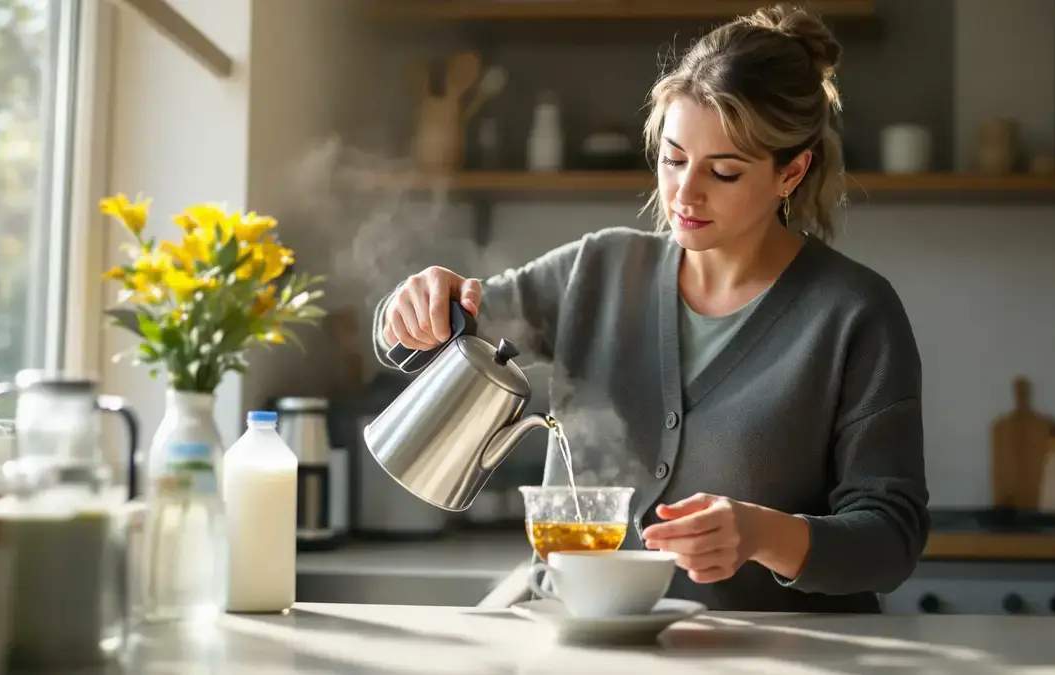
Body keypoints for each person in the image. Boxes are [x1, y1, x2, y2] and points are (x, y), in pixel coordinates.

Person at [372, 4, 929, 614]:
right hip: (580, 646)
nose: (685, 193)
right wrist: (414, 307)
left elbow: (891, 538)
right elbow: (437, 335)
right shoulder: (597, 272)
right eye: (673, 158)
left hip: (770, 651)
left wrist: (763, 535)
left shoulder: (853, 314)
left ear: (791, 173)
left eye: (723, 172)